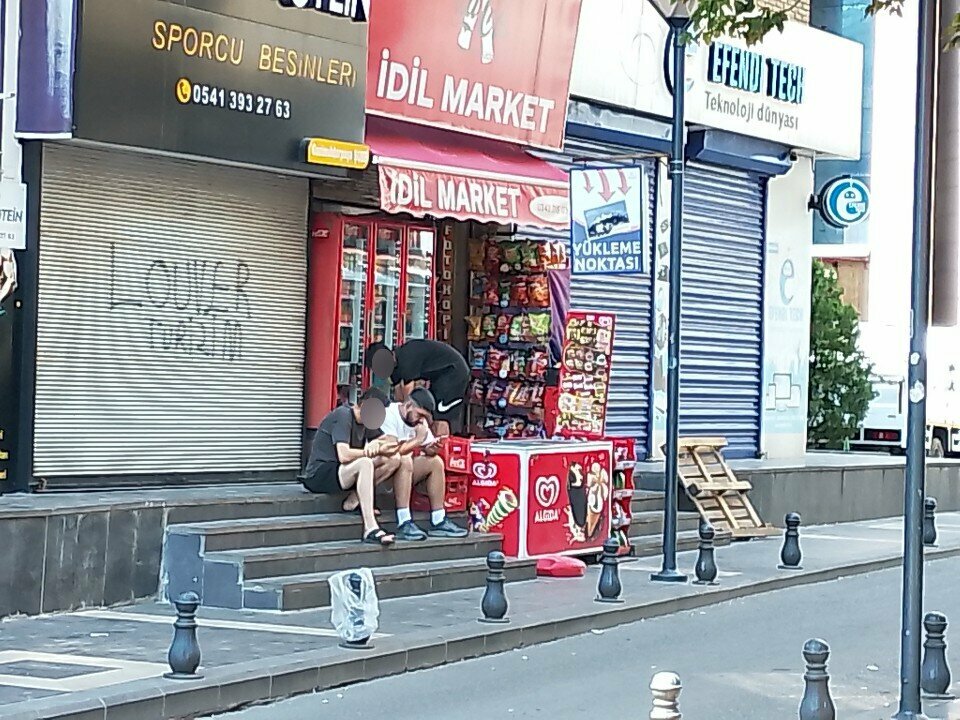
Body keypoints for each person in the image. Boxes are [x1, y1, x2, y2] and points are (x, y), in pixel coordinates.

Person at [299, 388, 400, 546]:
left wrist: (376, 443)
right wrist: (370, 451)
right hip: (321, 473)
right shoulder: (344, 415)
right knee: (365, 462)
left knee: (394, 459)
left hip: (342, 472)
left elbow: (388, 441)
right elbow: (343, 455)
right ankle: (370, 528)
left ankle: (355, 499)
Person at [378, 388, 469, 541]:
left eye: (425, 417)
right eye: (419, 414)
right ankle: (404, 521)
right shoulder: (388, 415)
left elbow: (427, 448)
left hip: (403, 476)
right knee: (404, 459)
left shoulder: (420, 422)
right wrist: (418, 441)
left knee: (435, 462)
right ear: (408, 406)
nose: (420, 420)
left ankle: (438, 519)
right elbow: (390, 451)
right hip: (381, 474)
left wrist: (432, 449)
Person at [367, 339, 471, 436]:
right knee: (428, 411)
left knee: (440, 416)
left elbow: (410, 398)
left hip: (454, 372)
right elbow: (399, 395)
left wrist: (408, 418)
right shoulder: (395, 368)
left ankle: (442, 445)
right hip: (439, 378)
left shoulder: (406, 358)